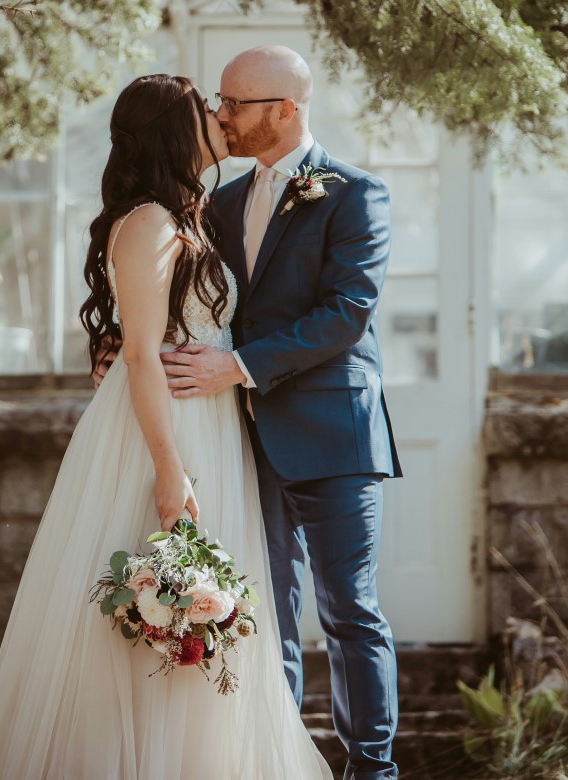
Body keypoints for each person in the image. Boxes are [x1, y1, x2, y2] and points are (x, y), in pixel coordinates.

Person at [0, 73, 331, 780]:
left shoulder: (191, 214)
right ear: (173, 130)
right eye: (206, 109)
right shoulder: (150, 223)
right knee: (149, 594)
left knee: (197, 597)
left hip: (209, 424)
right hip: (164, 433)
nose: (221, 116)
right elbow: (138, 352)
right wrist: (168, 466)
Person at [161, 46, 402, 779]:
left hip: (335, 437)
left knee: (350, 611)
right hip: (246, 438)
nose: (222, 115)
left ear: (286, 109)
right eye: (221, 101)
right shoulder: (220, 203)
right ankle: (280, 764)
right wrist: (126, 347)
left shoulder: (356, 194)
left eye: (236, 103)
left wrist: (236, 367)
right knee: (262, 612)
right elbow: (196, 305)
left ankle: (372, 770)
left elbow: (346, 313)